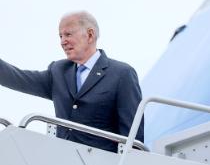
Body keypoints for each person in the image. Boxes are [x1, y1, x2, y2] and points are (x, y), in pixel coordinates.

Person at [0, 11, 144, 152]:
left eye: (68, 34)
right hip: (62, 164)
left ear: (90, 35)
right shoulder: (58, 71)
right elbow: (18, 78)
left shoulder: (121, 74)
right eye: (60, 36)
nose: (63, 41)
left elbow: (133, 137)